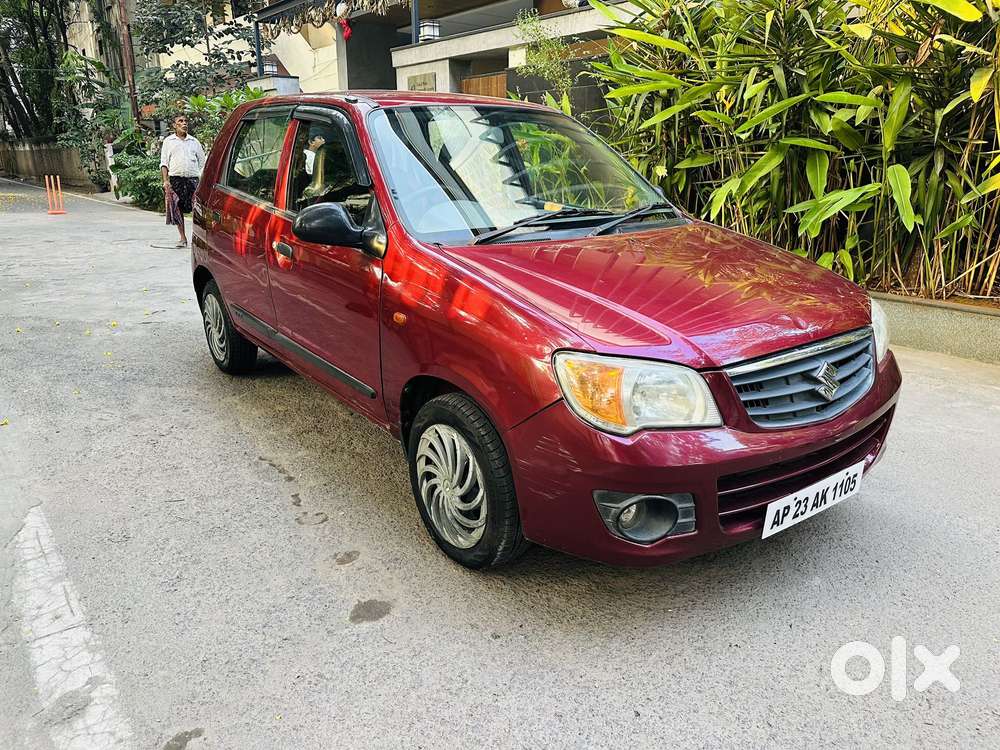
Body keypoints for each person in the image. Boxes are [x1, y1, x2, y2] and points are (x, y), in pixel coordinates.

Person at [160, 114, 205, 248]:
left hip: (193, 179)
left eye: (186, 121)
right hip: (175, 179)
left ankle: (199, 238)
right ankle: (183, 238)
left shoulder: (194, 142)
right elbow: (164, 163)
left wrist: (201, 180)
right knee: (177, 208)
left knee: (197, 209)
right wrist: (165, 181)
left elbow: (202, 162)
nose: (184, 123)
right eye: (180, 121)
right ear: (175, 125)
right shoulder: (169, 141)